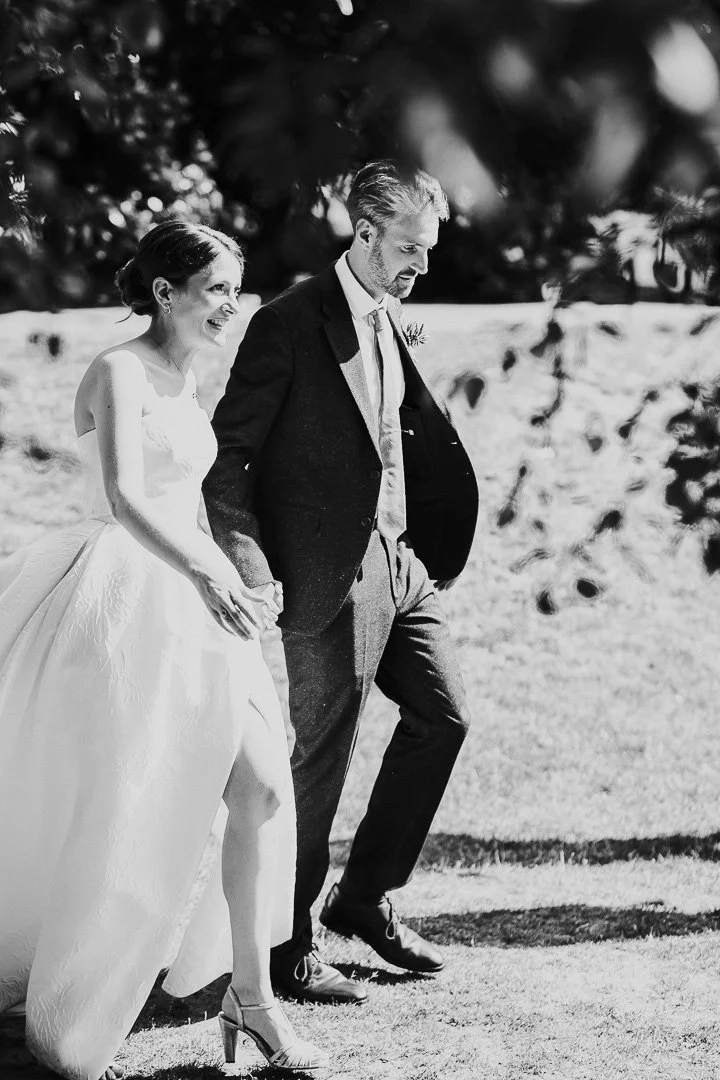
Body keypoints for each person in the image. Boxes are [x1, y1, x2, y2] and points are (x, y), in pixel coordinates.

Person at [0, 221, 328, 1079]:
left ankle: (249, 999)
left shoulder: (189, 376)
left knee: (258, 788)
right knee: (127, 803)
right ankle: (75, 1008)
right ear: (164, 292)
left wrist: (233, 582)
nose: (233, 304)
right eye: (219, 288)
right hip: (125, 597)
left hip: (197, 594)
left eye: (237, 287)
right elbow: (123, 497)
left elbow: (189, 505)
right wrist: (204, 575)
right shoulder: (118, 370)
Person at [203, 161, 479, 1005]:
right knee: (320, 758)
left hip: (401, 564)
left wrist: (420, 544)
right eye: (407, 249)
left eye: (427, 250)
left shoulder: (392, 316)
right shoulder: (289, 323)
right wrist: (254, 570)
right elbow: (228, 460)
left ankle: (362, 900)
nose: (420, 267)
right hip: (325, 572)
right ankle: (286, 948)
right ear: (362, 234)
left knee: (445, 717)